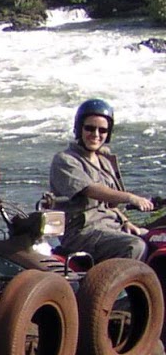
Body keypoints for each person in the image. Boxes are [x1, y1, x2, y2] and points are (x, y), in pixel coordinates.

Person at [49, 98, 154, 261]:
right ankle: (118, 286)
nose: (96, 135)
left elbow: (111, 204)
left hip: (111, 227)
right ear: (79, 129)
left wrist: (126, 222)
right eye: (90, 128)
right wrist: (131, 197)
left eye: (102, 130)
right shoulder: (65, 160)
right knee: (134, 246)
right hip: (83, 232)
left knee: (156, 238)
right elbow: (91, 189)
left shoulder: (104, 161)